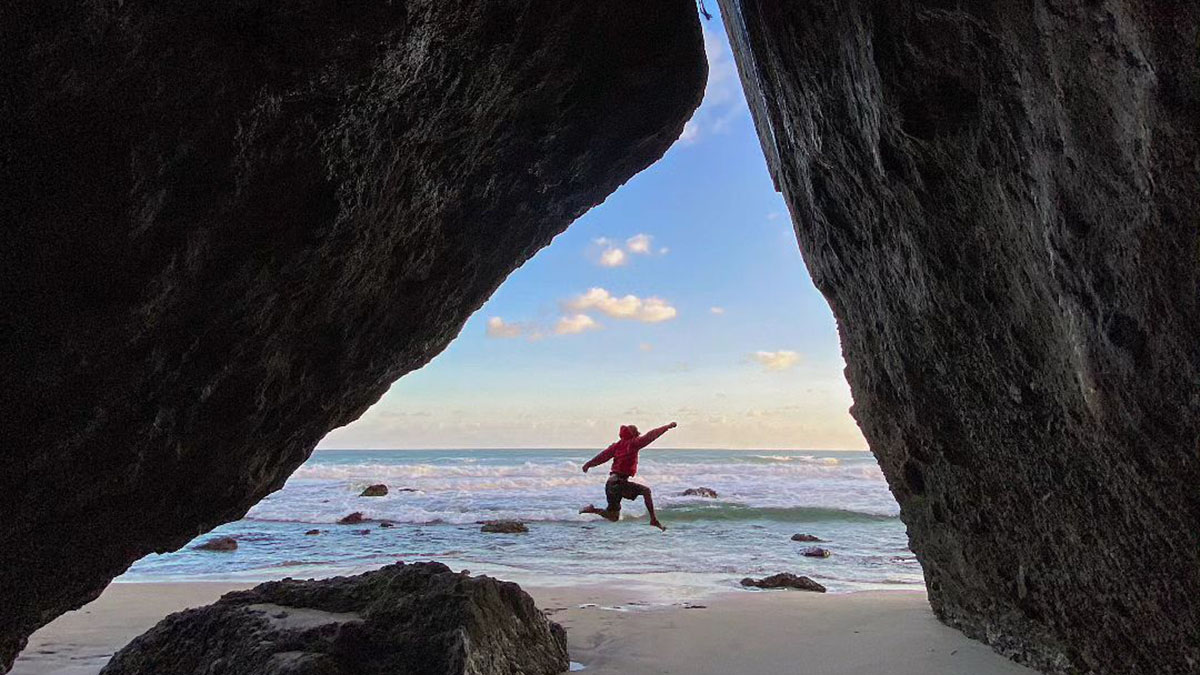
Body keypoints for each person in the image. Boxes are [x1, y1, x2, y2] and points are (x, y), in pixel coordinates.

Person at [579, 422, 677, 531]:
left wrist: (589, 464)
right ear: (635, 434)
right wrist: (667, 427)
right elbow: (650, 436)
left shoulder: (617, 445)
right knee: (646, 491)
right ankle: (653, 520)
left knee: (613, 517)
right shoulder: (633, 443)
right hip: (619, 482)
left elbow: (603, 456)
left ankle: (593, 510)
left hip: (610, 484)